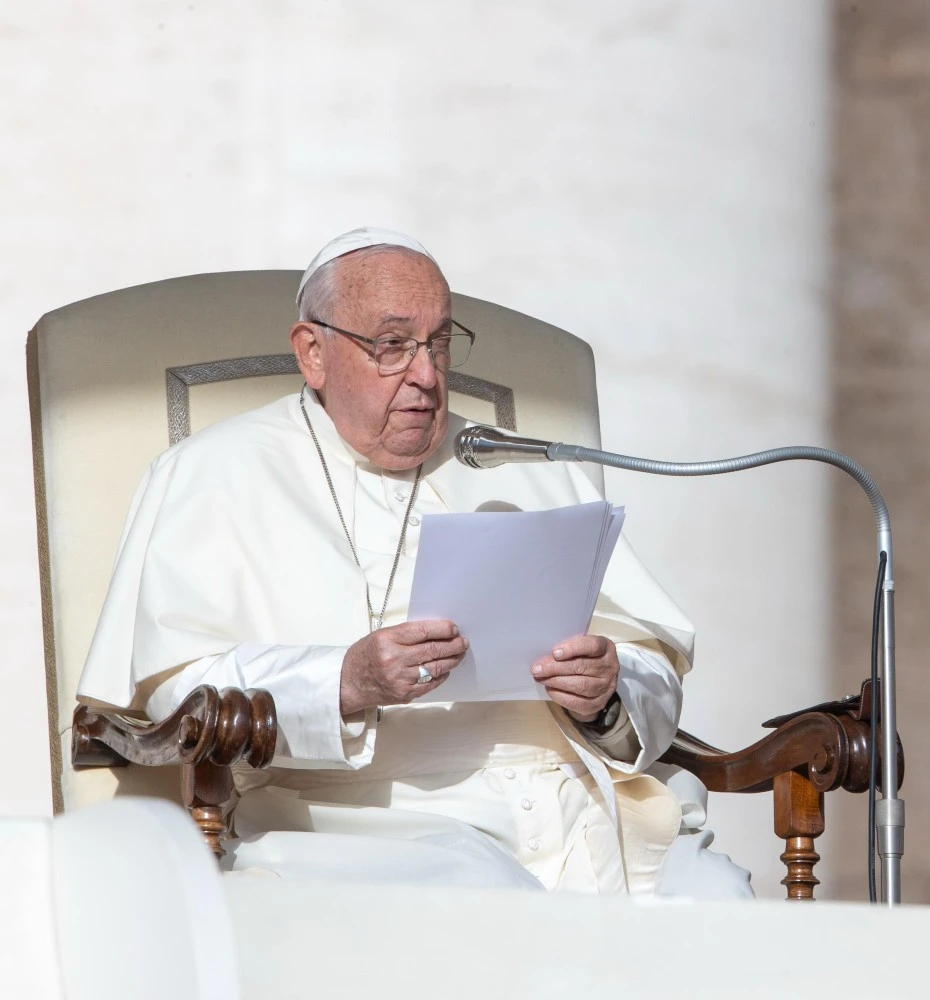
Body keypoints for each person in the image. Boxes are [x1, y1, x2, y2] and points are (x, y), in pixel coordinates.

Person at [76, 227, 752, 898]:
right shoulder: (214, 473)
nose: (426, 376)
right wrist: (344, 680)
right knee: (488, 899)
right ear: (313, 353)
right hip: (363, 822)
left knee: (719, 900)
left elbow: (652, 661)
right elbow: (179, 693)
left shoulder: (519, 463)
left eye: (438, 342)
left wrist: (607, 695)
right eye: (392, 346)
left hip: (584, 815)